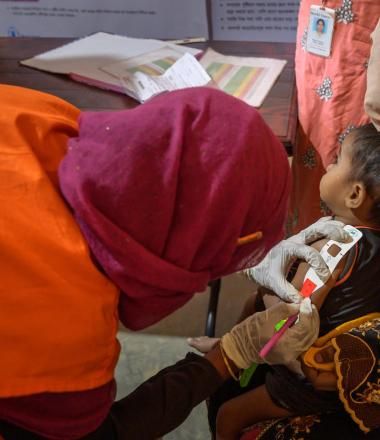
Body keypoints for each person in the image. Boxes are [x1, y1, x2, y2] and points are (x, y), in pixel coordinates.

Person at [0, 84, 346, 440]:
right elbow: (106, 433)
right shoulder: (64, 335)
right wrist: (229, 355)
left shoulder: (46, 114)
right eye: (223, 253)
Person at [288, 1, 380, 235]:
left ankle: (351, 249)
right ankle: (308, 237)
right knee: (314, 155)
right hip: (317, 39)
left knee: (356, 156)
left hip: (358, 38)